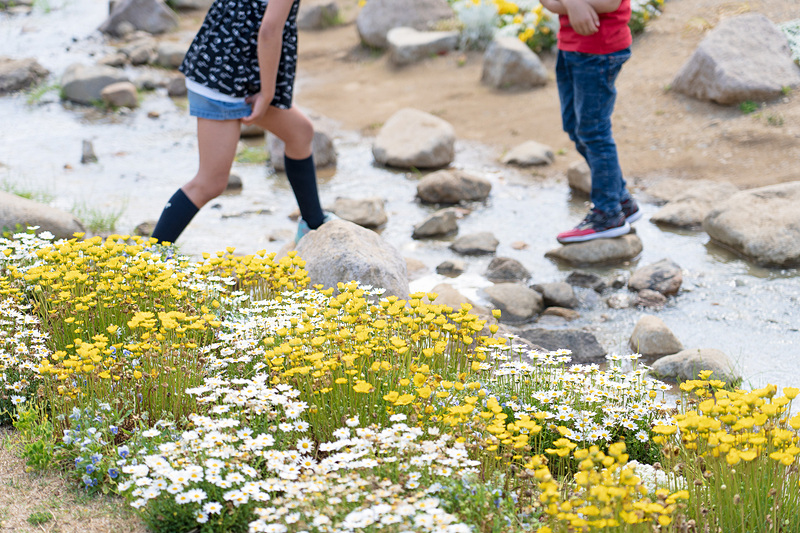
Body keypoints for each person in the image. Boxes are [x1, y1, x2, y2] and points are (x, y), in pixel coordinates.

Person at [150, 0, 331, 246]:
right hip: (225, 78)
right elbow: (269, 30)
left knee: (300, 133)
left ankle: (312, 225)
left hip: (229, 63)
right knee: (209, 182)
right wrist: (266, 95)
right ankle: (149, 262)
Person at [539, 0, 642, 244]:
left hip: (600, 49)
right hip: (571, 46)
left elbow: (608, 3)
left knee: (594, 131)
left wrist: (572, 4)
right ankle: (620, 200)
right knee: (575, 128)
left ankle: (608, 214)